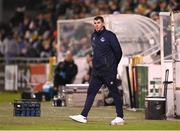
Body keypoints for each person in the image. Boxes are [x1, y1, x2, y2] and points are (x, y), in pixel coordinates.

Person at [69, 16, 124, 125]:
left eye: (98, 22)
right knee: (91, 92)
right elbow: (97, 52)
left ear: (103, 23)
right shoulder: (93, 36)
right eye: (95, 23)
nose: (97, 25)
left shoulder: (110, 35)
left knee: (114, 93)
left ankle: (120, 117)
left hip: (108, 71)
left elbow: (118, 52)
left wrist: (112, 66)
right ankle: (83, 115)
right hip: (97, 72)